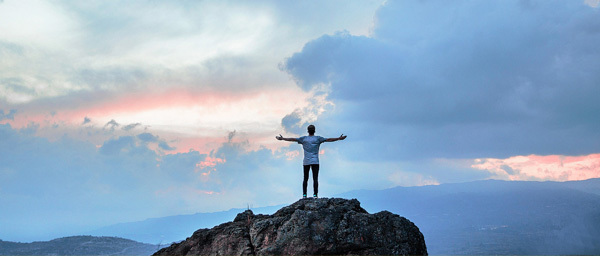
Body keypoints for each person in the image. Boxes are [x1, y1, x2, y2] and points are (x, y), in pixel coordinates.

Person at [276, 125, 347, 199]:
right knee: (315, 178)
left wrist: (283, 138)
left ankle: (304, 195)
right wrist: (339, 138)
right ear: (314, 130)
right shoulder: (318, 138)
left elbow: (293, 139)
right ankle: (315, 195)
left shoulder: (304, 139)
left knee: (305, 178)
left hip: (306, 161)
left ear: (308, 131)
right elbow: (329, 139)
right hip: (315, 161)